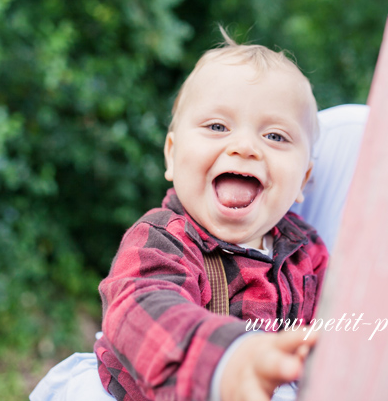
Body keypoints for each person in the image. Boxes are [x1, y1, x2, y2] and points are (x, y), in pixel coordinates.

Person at [30, 33, 370, 401]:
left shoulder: (310, 255)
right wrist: (229, 361)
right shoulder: (163, 239)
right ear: (172, 156)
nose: (245, 147)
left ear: (304, 178)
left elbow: (337, 330)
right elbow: (141, 309)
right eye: (217, 127)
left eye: (275, 136)